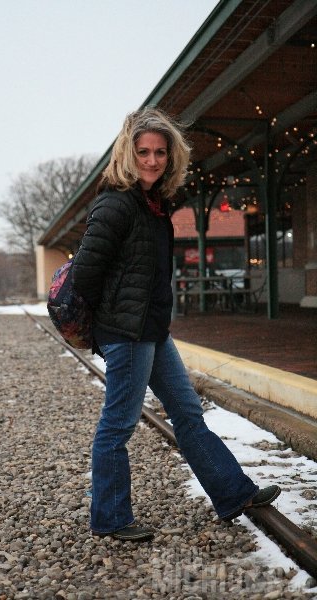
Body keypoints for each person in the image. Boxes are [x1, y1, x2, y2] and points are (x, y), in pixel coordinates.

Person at [72, 107, 280, 542]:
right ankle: (109, 518)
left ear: (171, 156)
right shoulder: (116, 204)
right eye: (143, 152)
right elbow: (85, 276)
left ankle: (232, 494)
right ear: (127, 153)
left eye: (160, 153)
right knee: (118, 426)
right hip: (129, 335)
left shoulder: (154, 204)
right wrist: (109, 330)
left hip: (152, 332)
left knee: (187, 412)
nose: (151, 160)